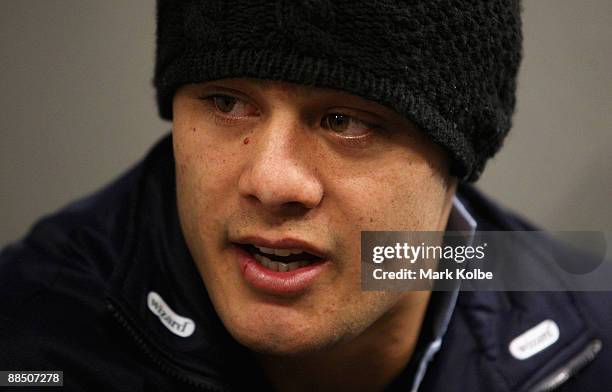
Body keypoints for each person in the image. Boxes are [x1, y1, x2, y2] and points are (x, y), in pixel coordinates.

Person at [1, 1, 610, 391]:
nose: (271, 182)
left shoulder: (586, 331)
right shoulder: (35, 338)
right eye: (227, 102)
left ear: (459, 156)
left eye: (346, 120)